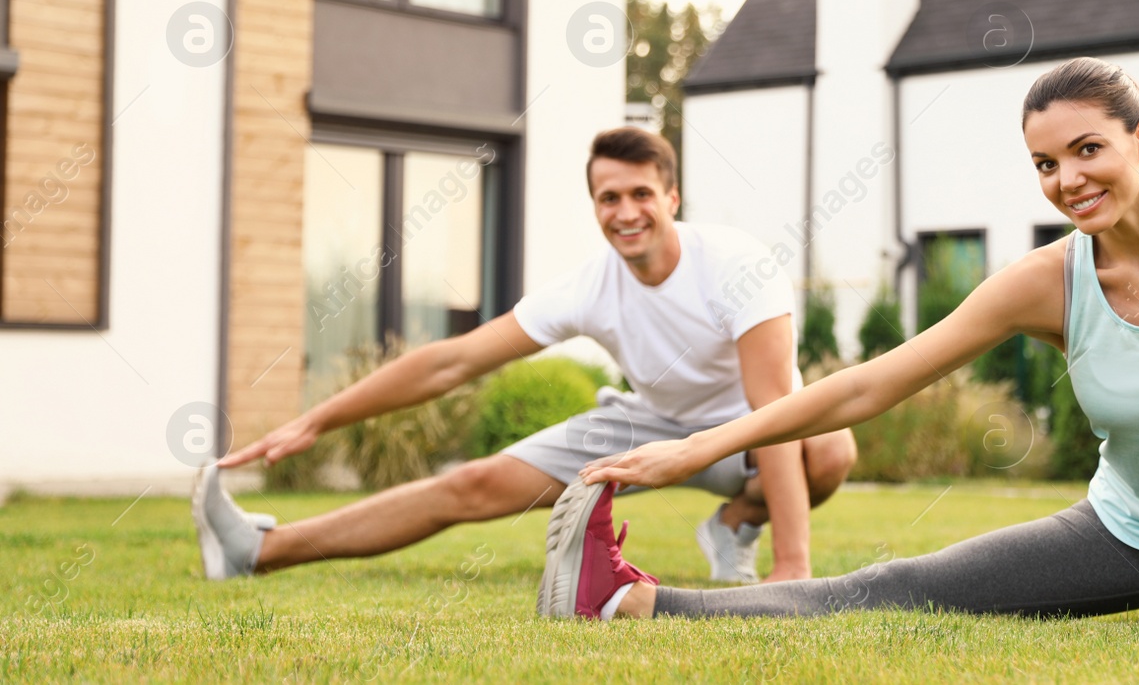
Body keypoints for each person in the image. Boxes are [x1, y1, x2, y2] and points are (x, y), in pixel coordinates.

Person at [537, 58, 1139, 635]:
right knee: (896, 588)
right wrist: (698, 448)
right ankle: (632, 603)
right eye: (1044, 163)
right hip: (1125, 536)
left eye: (1086, 150)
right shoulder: (1050, 281)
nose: (1066, 180)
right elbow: (872, 384)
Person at [192, 127, 857, 585]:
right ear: (595, 205)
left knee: (829, 448)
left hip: (748, 428)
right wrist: (319, 419)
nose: (626, 211)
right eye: (609, 197)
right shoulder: (591, 287)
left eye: (641, 194)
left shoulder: (738, 264)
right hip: (645, 423)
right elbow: (452, 362)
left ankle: (735, 525)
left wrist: (790, 568)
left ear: (672, 198)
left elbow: (776, 407)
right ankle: (256, 550)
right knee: (471, 484)